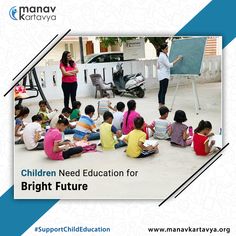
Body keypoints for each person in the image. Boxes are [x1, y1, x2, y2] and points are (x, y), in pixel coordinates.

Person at [157, 43, 183, 108]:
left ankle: (160, 105)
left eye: (167, 48)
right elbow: (169, 65)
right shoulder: (163, 56)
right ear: (162, 50)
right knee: (163, 91)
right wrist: (178, 59)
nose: (167, 50)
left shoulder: (161, 55)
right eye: (166, 49)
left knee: (161, 90)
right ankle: (162, 105)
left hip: (162, 75)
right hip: (164, 75)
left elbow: (159, 66)